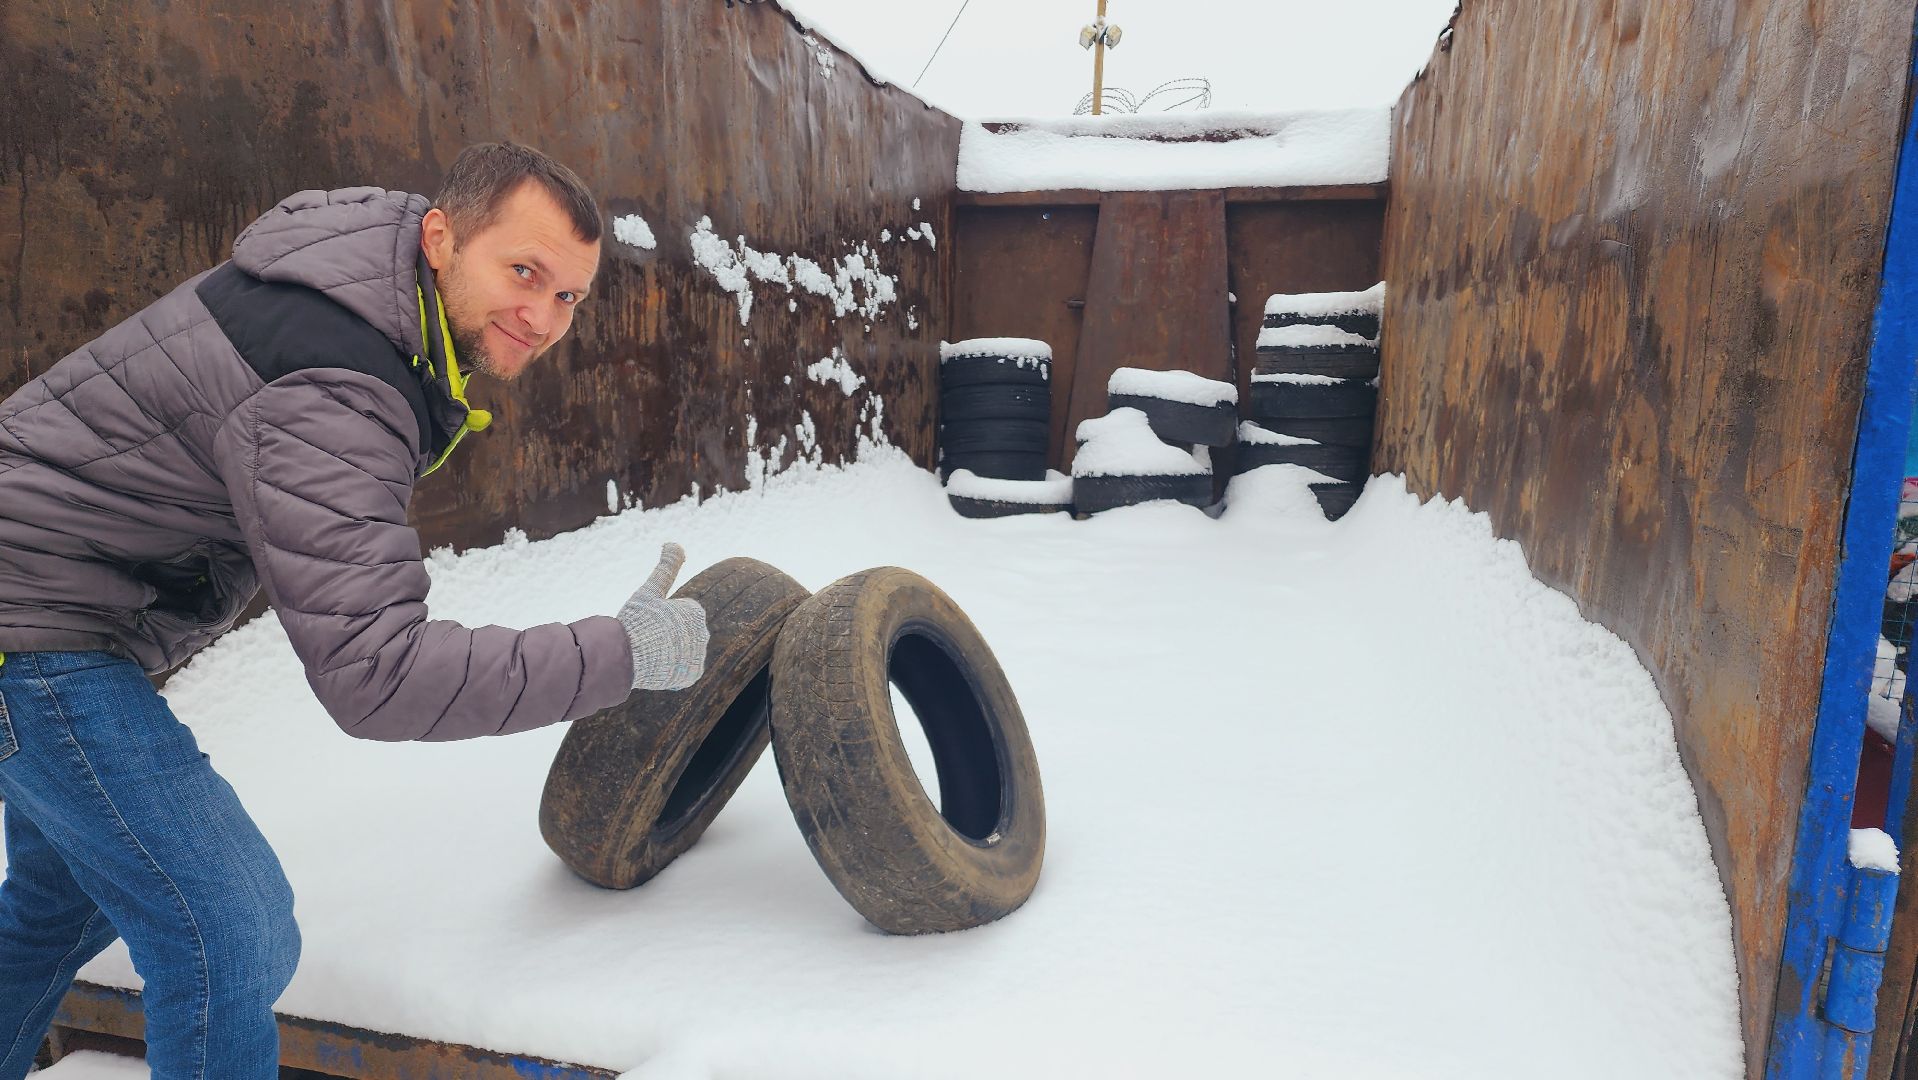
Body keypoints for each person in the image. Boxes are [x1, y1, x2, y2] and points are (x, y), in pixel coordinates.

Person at [0, 143, 709, 1078]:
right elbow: (377, 677)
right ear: (441, 236)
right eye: (523, 272)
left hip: (46, 611)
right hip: (38, 634)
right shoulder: (336, 380)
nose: (542, 317)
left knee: (63, 905)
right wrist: (620, 653)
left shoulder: (358, 297)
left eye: (568, 296)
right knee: (231, 934)